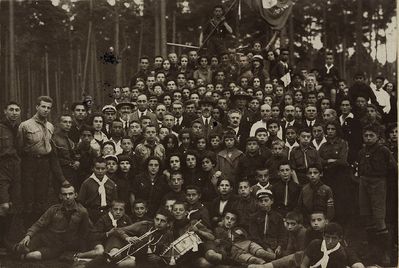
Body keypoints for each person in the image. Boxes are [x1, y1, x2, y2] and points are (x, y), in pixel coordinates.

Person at [17, 96, 67, 225]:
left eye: (48, 108)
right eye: (43, 106)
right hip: (29, 164)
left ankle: (38, 230)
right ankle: (27, 230)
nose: (46, 110)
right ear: (37, 107)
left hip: (45, 164)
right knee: (28, 197)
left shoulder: (50, 126)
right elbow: (19, 148)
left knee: (41, 197)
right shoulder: (25, 125)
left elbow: (50, 148)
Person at [14, 184, 90, 261]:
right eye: (64, 194)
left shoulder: (82, 212)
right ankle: (17, 249)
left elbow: (84, 232)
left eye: (70, 194)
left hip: (59, 245)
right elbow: (39, 223)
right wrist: (28, 235)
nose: (67, 197)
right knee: (22, 247)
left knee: (34, 256)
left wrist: (81, 251)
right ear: (60, 196)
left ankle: (21, 255)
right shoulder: (54, 209)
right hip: (45, 237)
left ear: (76, 195)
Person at [358, 123, 397, 265]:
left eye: (371, 135)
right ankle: (372, 250)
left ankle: (385, 252)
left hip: (379, 184)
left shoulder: (384, 150)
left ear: (378, 137)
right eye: (366, 135)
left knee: (379, 218)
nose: (368, 138)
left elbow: (393, 170)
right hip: (364, 183)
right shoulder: (361, 152)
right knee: (367, 216)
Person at [0, 101, 22, 249]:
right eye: (11, 110)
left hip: (16, 167)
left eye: (17, 110)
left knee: (13, 204)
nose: (14, 112)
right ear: (5, 111)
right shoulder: (1, 128)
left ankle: (4, 239)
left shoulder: (18, 129)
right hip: (2, 167)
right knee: (4, 204)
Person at [300, 223, 365, 268]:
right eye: (327, 237)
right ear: (323, 236)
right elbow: (304, 265)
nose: (330, 241)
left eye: (334, 238)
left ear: (340, 239)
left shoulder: (342, 253)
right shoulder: (315, 244)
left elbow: (357, 264)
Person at [79, 157, 118, 223]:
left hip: (107, 213)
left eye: (103, 169)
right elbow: (81, 202)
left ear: (106, 169)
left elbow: (114, 201)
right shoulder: (86, 183)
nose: (100, 171)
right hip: (91, 213)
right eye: (97, 168)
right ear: (93, 169)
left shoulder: (111, 183)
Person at [249, 189, 285, 259]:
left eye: (266, 200)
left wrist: (280, 246)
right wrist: (267, 248)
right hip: (260, 245)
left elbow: (283, 234)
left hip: (275, 245)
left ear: (272, 201)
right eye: (261, 201)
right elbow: (254, 236)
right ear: (257, 203)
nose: (263, 203)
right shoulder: (254, 217)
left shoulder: (278, 217)